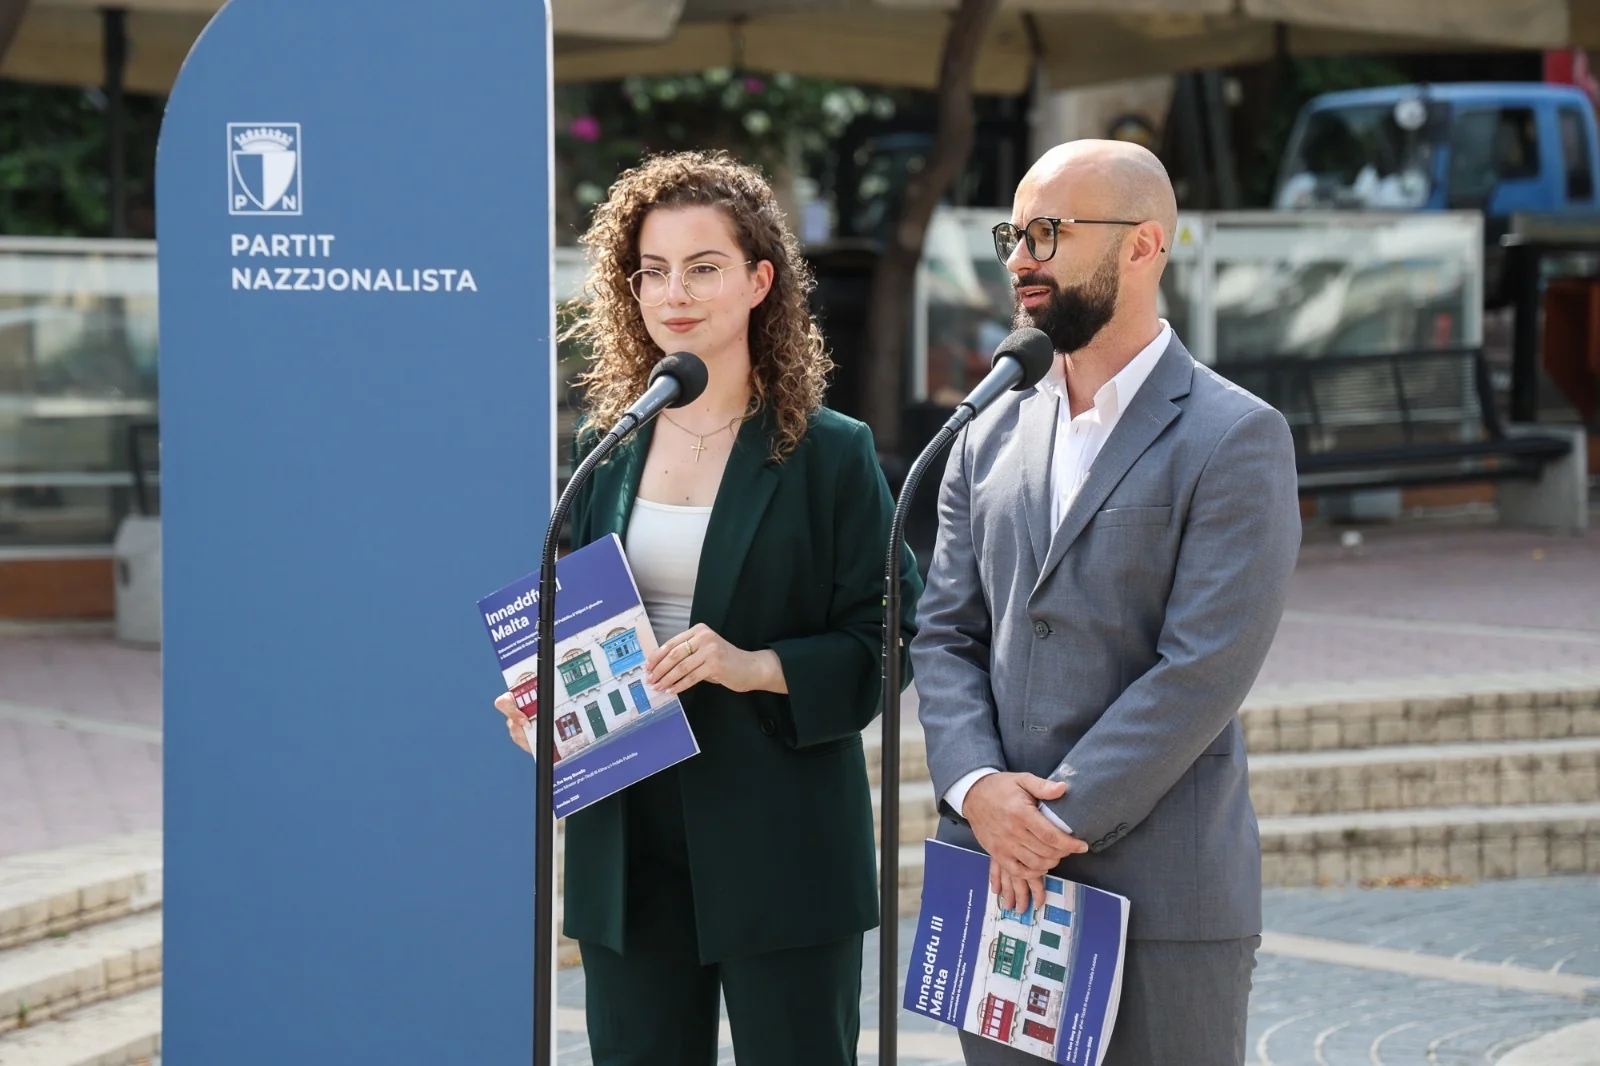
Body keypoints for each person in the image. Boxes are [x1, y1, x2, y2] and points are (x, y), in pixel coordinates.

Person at [493, 150, 921, 1066]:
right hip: (627, 835)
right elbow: (575, 619)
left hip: (781, 836)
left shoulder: (830, 453)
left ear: (761, 280)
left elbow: (889, 638)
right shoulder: (604, 444)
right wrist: (549, 705)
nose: (673, 293)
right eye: (651, 270)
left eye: (703, 266)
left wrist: (754, 666)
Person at [911, 139, 1301, 1065]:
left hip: (1162, 895)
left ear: (1142, 246)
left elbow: (1203, 667)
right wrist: (976, 789)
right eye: (1014, 233)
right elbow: (944, 633)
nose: (1018, 258)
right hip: (997, 886)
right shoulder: (985, 426)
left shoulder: (1235, 434)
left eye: (1048, 232)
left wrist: (1038, 824)